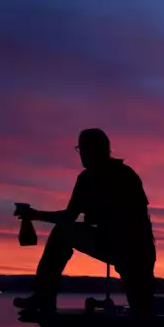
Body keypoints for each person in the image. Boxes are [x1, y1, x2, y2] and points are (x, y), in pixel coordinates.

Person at [13, 128, 156, 316]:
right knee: (61, 233)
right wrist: (37, 215)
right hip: (108, 241)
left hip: (135, 248)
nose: (81, 155)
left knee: (142, 311)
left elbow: (138, 219)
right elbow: (69, 216)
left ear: (96, 151)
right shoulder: (85, 179)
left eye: (83, 150)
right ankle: (43, 297)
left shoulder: (125, 175)